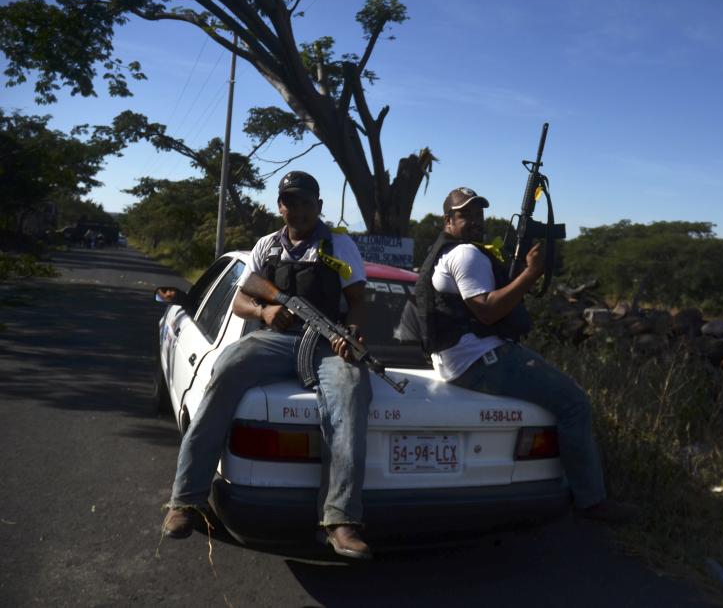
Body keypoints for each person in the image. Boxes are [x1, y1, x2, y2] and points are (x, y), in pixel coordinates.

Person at [161, 171, 375, 559]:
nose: (298, 210)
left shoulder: (339, 245)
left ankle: (340, 520)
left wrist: (352, 333)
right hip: (275, 340)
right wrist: (266, 309)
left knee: (351, 391)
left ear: (319, 206)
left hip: (327, 344)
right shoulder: (267, 246)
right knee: (224, 371)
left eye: (306, 202)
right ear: (280, 207)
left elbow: (358, 300)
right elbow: (242, 300)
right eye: (290, 202)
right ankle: (186, 499)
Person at [413, 187, 634, 523]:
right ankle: (591, 501)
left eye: (478, 214)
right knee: (574, 403)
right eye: (465, 215)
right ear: (448, 220)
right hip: (477, 360)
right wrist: (531, 273)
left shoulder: (445, 252)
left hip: (463, 357)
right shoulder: (465, 255)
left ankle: (564, 482)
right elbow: (486, 311)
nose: (475, 221)